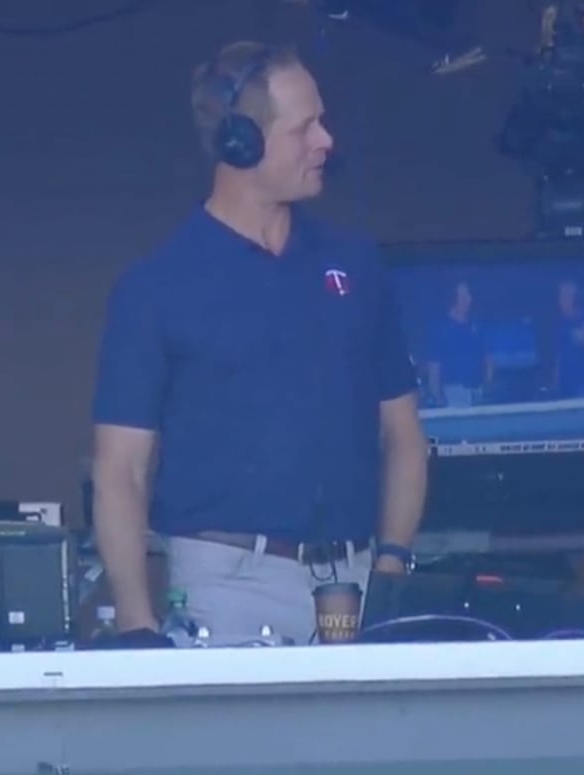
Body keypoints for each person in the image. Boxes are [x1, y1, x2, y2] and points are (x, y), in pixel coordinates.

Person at [91, 40, 428, 646]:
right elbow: (121, 470)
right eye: (306, 128)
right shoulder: (157, 287)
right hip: (224, 593)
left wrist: (392, 562)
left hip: (355, 589)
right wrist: (137, 622)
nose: (326, 140)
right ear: (240, 142)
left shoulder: (356, 265)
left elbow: (403, 432)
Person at [427, 280, 491, 407]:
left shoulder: (477, 326)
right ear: (454, 299)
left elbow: (488, 359)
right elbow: (434, 367)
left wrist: (487, 386)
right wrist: (438, 397)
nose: (468, 300)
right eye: (463, 296)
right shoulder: (441, 329)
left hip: (477, 392)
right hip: (453, 392)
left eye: (469, 296)